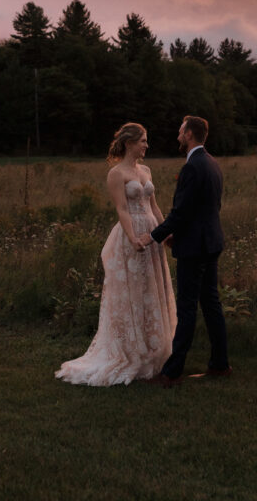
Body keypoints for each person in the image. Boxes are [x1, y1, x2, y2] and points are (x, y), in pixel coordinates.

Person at [55, 122, 176, 386]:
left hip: (152, 234)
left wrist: (166, 231)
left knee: (151, 288)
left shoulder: (146, 170)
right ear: (129, 143)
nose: (146, 145)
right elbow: (122, 208)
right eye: (143, 141)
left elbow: (153, 205)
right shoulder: (116, 173)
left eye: (146, 141)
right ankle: (132, 350)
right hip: (131, 234)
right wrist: (133, 237)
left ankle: (154, 348)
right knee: (133, 290)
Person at [138, 115, 230, 384]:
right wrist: (176, 234)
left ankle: (171, 372)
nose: (177, 136)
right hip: (210, 242)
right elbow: (203, 210)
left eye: (180, 131)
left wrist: (153, 236)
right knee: (211, 304)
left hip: (196, 248)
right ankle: (220, 365)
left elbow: (181, 212)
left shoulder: (193, 167)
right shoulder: (212, 163)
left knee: (187, 307)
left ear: (189, 134)